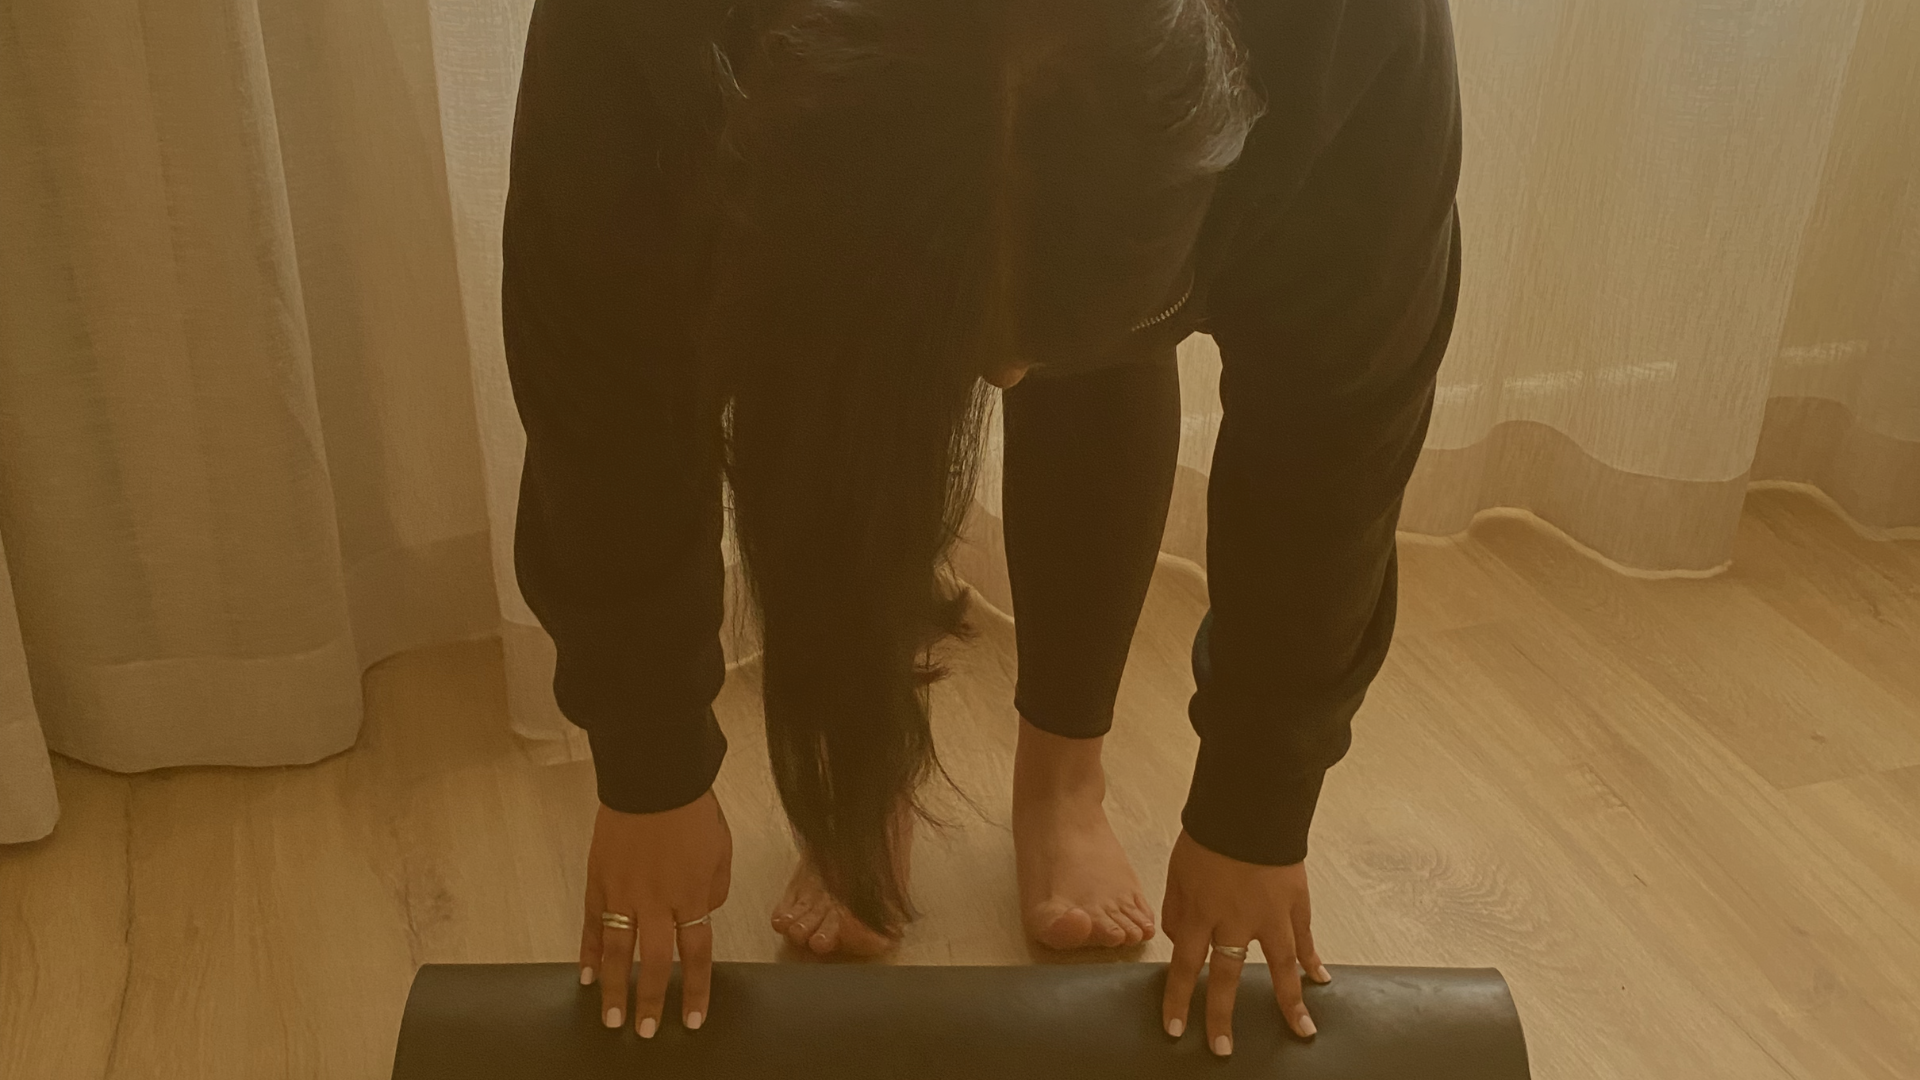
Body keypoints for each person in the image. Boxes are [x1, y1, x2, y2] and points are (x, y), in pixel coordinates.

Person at [501, 0, 1462, 1060]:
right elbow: (602, 382)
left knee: (1082, 322)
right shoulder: (647, 34)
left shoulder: (1346, 34)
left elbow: (1338, 430)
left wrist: (1258, 803)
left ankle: (1063, 782)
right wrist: (649, 768)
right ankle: (862, 789)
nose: (1000, 379)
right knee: (855, 365)